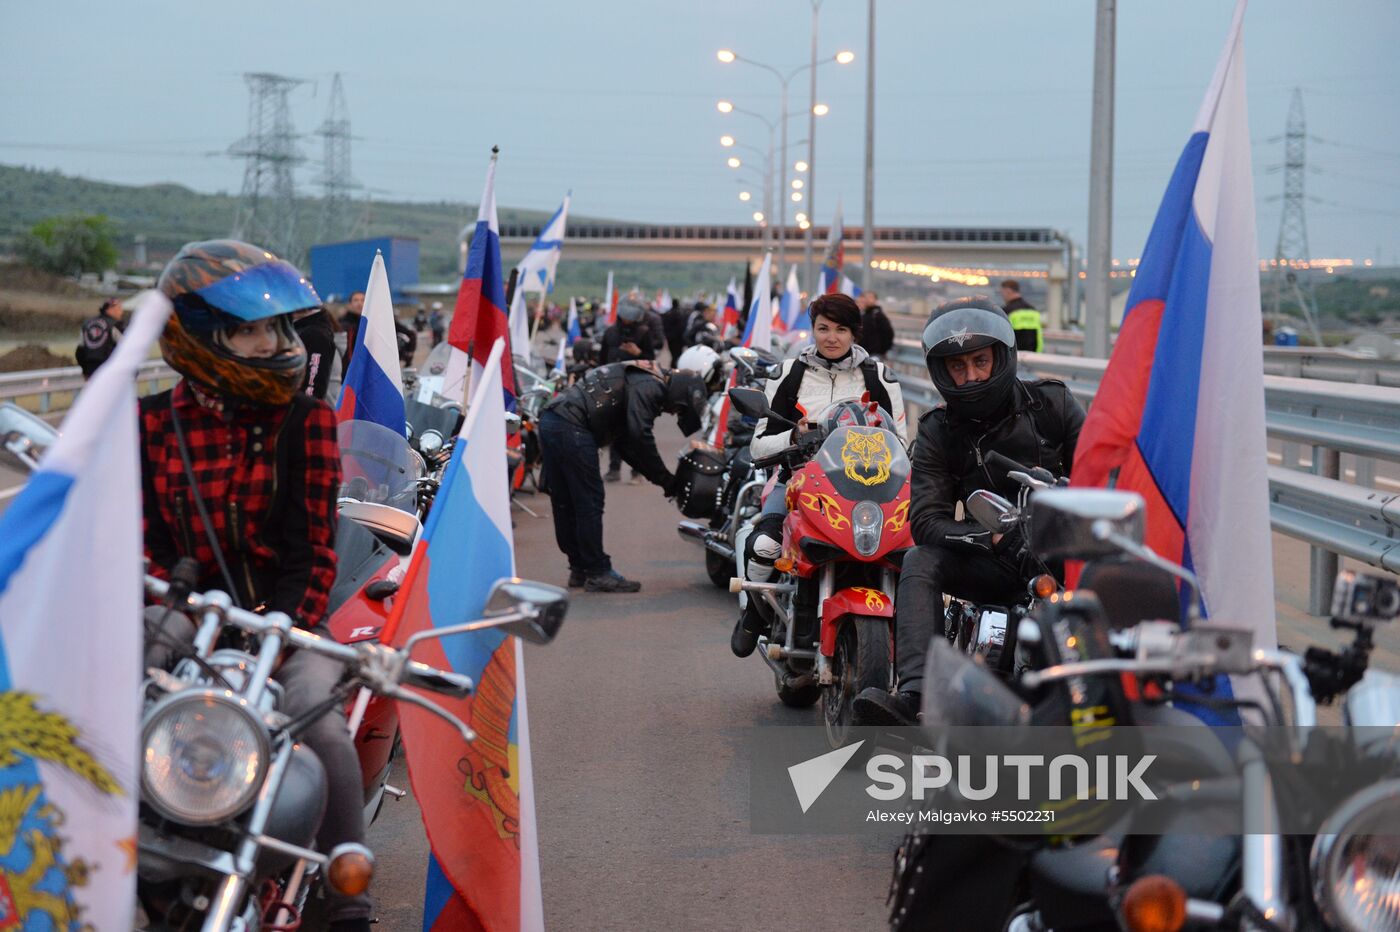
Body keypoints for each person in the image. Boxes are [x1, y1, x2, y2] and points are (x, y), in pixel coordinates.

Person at [139, 240, 372, 931]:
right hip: (185, 608)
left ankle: (348, 891)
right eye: (250, 330)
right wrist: (168, 599)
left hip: (287, 617)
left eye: (277, 328)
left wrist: (279, 622)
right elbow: (146, 538)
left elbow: (313, 550)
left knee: (320, 724)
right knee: (117, 693)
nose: (273, 343)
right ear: (202, 338)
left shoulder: (307, 421)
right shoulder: (151, 421)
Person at [852, 297, 1084, 727]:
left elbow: (1104, 478)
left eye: (980, 361)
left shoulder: (1052, 405)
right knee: (920, 560)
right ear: (941, 371)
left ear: (1003, 356)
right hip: (994, 559)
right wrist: (990, 538)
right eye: (958, 366)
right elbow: (924, 519)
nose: (972, 375)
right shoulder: (938, 429)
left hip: (1064, 558)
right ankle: (916, 693)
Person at [731, 293, 907, 657]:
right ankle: (756, 614)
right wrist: (794, 435)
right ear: (812, 329)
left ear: (854, 333)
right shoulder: (789, 374)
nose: (831, 337)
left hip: (867, 489)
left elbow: (900, 444)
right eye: (823, 328)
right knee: (765, 546)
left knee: (911, 551)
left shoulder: (880, 377)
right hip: (797, 481)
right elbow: (758, 446)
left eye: (841, 329)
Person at [538, 362, 708, 592]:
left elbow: (627, 445)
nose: (671, 412)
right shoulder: (652, 386)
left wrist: (663, 481)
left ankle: (579, 568)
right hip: (572, 426)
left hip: (552, 419)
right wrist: (667, 480)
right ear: (681, 393)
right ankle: (597, 572)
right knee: (588, 502)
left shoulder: (643, 377)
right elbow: (639, 436)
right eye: (678, 409)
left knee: (565, 502)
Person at [600, 299, 663, 482]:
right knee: (615, 430)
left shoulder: (644, 333)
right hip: (614, 385)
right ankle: (614, 468)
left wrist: (638, 354)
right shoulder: (611, 333)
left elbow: (652, 361)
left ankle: (637, 471)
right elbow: (602, 359)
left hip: (637, 386)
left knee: (636, 430)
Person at [294, 305, 340, 401]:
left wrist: (303, 411)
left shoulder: (315, 335)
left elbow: (313, 386)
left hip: (307, 410)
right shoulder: (300, 329)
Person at [76, 298, 124, 379]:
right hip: (112, 372)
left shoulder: (86, 324)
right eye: (119, 309)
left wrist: (85, 371)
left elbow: (80, 352)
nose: (121, 312)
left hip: (91, 372)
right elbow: (126, 350)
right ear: (109, 309)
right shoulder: (115, 325)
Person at [1001, 278, 1043, 353]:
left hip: (1014, 356)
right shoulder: (1033, 310)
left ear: (1008, 291)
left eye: (1002, 293)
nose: (1002, 296)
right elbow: (1039, 336)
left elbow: (1003, 337)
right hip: (1033, 355)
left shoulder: (1006, 311)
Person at [856, 291, 895, 358]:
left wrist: (881, 351)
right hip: (863, 353)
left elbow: (889, 334)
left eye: (870, 297)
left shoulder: (877, 315)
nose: (866, 300)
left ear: (875, 300)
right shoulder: (863, 315)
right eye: (865, 297)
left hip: (874, 355)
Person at [339, 290, 365, 368]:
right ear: (350, 304)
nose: (359, 303)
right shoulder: (344, 325)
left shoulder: (372, 323)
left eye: (362, 300)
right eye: (356, 300)